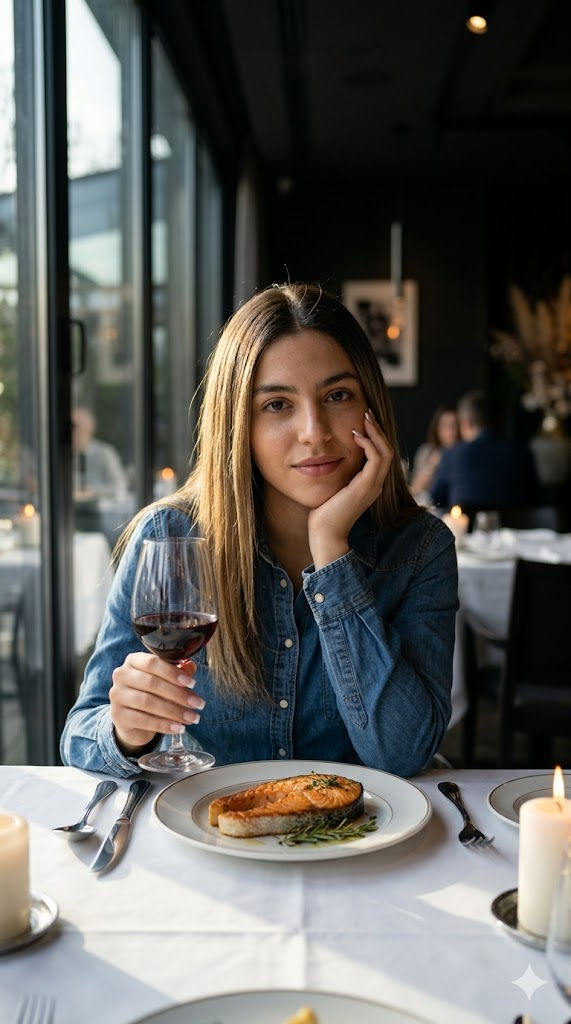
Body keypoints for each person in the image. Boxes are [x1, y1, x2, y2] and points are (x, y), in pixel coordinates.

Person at [60, 283, 457, 779]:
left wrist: (332, 551)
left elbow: (403, 754)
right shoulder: (168, 535)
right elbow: (81, 733)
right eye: (276, 405)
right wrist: (127, 729)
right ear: (237, 425)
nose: (314, 430)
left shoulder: (420, 549)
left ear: (370, 407)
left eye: (337, 395)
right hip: (206, 836)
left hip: (355, 842)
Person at [430, 390, 539, 510]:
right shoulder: (522, 452)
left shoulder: (451, 455)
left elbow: (436, 499)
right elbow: (534, 497)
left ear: (466, 424)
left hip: (466, 527)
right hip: (519, 526)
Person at [72, 407, 129, 499]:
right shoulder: (61, 456)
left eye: (76, 427)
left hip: (100, 511)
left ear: (89, 428)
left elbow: (120, 487)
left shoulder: (104, 453)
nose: (73, 432)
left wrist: (94, 492)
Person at [409, 406, 459, 499]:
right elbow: (415, 489)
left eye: (454, 425)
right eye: (444, 425)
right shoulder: (427, 452)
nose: (450, 431)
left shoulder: (464, 453)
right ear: (437, 428)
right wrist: (433, 464)